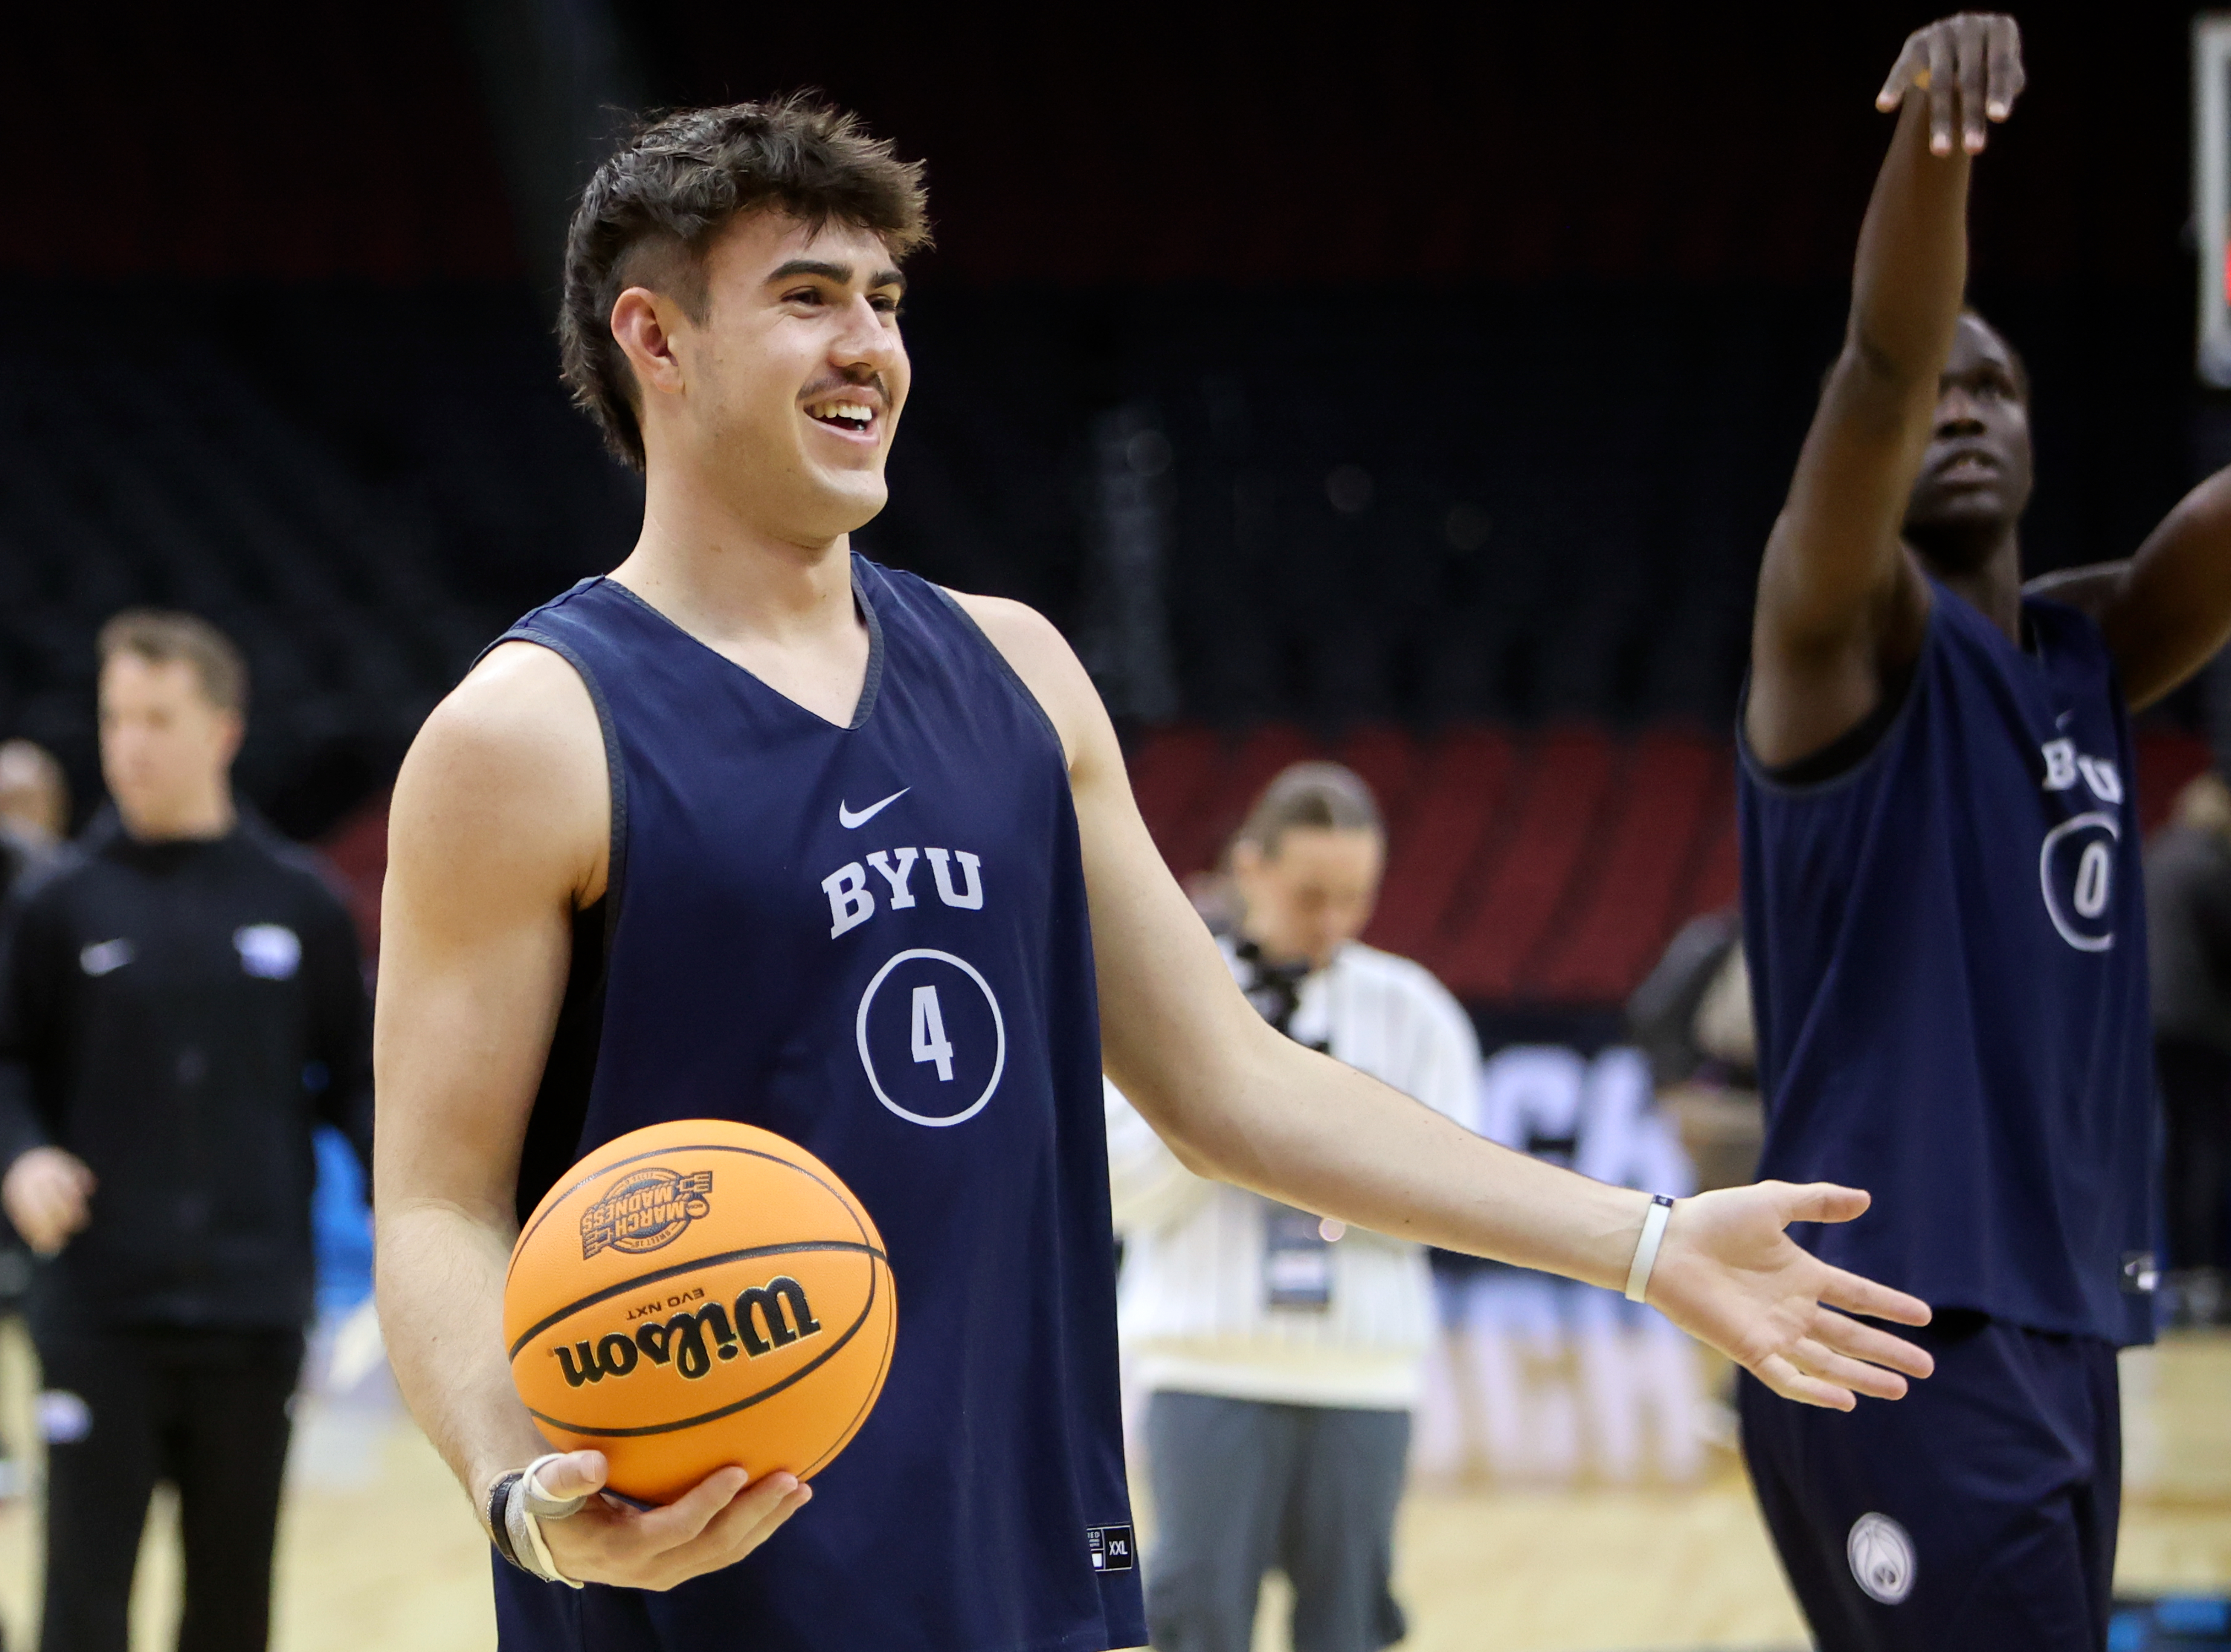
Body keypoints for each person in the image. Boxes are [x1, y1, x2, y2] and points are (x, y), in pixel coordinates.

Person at [371, 96, 1933, 1652]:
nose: (871, 346)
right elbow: (440, 1201)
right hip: (688, 1583)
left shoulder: (1020, 676)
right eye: (807, 298)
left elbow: (1234, 1087)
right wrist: (521, 1485)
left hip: (1027, 1569)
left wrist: (1646, 1243)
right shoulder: (529, 735)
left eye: (886, 301)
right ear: (656, 338)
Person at [1739, 15, 2231, 1648]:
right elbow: (1886, 360)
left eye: (2000, 388)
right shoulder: (1840, 634)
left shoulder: (2083, 656)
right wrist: (1936, 146)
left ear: (2040, 437)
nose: (1962, 404)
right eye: (1936, 384)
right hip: (1901, 1332)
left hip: (2061, 1324)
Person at [0, 611, 376, 1652]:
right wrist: (22, 1151)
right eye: (117, 717)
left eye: (158, 717)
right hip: (99, 1306)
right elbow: (8, 1063)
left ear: (222, 729)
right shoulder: (59, 903)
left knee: (231, 1607)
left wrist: (426, 1203)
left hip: (254, 1313)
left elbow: (357, 1086)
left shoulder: (299, 902)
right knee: (81, 1604)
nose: (130, 743)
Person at [1107, 763, 1478, 1652]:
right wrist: (1219, 1104)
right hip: (1201, 1366)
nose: (1335, 921)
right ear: (1250, 868)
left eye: (1356, 896)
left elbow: (1460, 1200)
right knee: (1194, 1617)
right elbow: (1118, 1195)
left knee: (1349, 1625)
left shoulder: (1416, 1010)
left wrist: (1297, 1151)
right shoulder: (1168, 1003)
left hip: (1364, 1374)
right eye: (1312, 893)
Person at [2146, 771, 2231, 1326]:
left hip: (2148, 1026)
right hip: (2202, 1026)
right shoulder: (2211, 867)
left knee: (2173, 1150)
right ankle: (2208, 1275)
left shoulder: (2153, 855)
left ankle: (2172, 1279)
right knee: (2208, 1149)